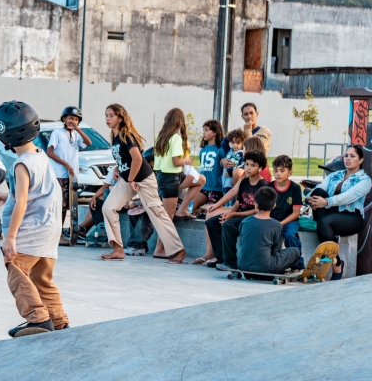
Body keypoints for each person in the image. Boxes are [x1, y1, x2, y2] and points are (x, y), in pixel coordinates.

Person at [0, 101, 68, 337]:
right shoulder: (40, 156)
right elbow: (39, 189)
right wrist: (8, 193)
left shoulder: (21, 164)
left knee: (16, 270)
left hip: (32, 230)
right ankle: (58, 320)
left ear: (7, 137)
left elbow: (23, 201)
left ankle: (38, 319)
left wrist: (10, 237)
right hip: (50, 229)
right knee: (42, 278)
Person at [99, 103, 186, 263]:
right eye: (106, 115)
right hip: (128, 179)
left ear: (120, 118)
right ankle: (118, 249)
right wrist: (119, 168)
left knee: (157, 213)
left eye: (111, 115)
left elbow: (138, 159)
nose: (108, 118)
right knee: (108, 207)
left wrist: (131, 179)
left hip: (143, 179)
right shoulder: (116, 137)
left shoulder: (127, 136)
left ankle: (178, 250)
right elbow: (125, 158)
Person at [306, 144, 371, 280]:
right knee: (318, 192)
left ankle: (337, 264)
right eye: (346, 156)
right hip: (331, 215)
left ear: (360, 160)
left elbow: (348, 196)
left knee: (324, 221)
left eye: (352, 156)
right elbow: (319, 188)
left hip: (351, 218)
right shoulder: (335, 175)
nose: (348, 158)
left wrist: (327, 202)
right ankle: (332, 246)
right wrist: (309, 199)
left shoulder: (365, 180)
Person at [204, 150, 268, 269]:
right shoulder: (244, 182)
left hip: (252, 218)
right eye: (246, 164)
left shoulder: (262, 185)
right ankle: (220, 258)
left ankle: (230, 263)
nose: (248, 168)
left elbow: (257, 210)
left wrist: (233, 215)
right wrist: (229, 213)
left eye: (253, 165)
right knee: (212, 222)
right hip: (239, 215)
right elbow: (238, 203)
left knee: (228, 225)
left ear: (260, 167)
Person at [153, 108, 204, 255]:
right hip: (171, 177)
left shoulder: (160, 136)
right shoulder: (175, 138)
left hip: (164, 176)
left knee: (200, 180)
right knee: (167, 218)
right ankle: (159, 249)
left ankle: (182, 209)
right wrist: (186, 160)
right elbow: (176, 162)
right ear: (180, 122)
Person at [46, 106, 92, 241]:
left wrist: (78, 129)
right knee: (58, 206)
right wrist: (66, 164)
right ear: (64, 119)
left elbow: (88, 143)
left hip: (71, 177)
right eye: (71, 118)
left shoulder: (76, 134)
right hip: (59, 174)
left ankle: (61, 234)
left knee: (67, 207)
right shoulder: (57, 133)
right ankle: (56, 235)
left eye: (76, 119)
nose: (73, 121)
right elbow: (50, 152)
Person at [236, 186, 302, 275]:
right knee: (295, 251)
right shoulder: (276, 225)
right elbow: (275, 251)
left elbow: (243, 243)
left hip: (243, 265)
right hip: (266, 267)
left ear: (256, 204)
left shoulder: (245, 221)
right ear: (274, 206)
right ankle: (294, 269)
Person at [269, 155, 304, 268]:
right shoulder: (268, 187)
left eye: (282, 171)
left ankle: (297, 265)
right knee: (265, 234)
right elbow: (264, 209)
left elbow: (296, 213)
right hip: (271, 219)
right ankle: (270, 263)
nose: (278, 174)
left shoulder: (295, 188)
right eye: (275, 171)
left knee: (290, 235)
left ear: (290, 173)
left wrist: (281, 224)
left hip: (289, 220)